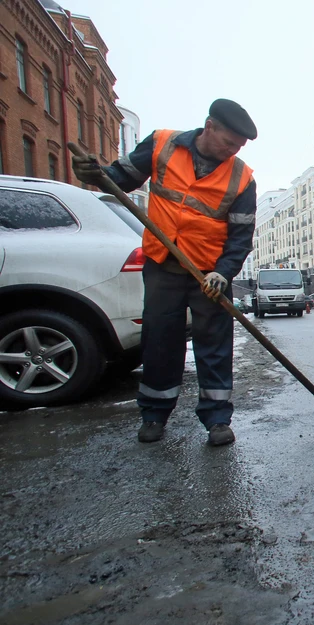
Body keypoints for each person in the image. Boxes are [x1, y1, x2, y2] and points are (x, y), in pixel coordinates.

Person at [73, 99, 258, 445]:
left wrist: (224, 272)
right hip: (162, 267)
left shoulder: (241, 177)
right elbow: (120, 179)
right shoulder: (163, 145)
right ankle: (155, 414)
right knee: (160, 341)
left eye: (239, 147)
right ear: (209, 126)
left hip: (208, 274)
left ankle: (217, 419)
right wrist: (97, 175)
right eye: (228, 142)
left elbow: (240, 236)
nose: (233, 151)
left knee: (215, 345)